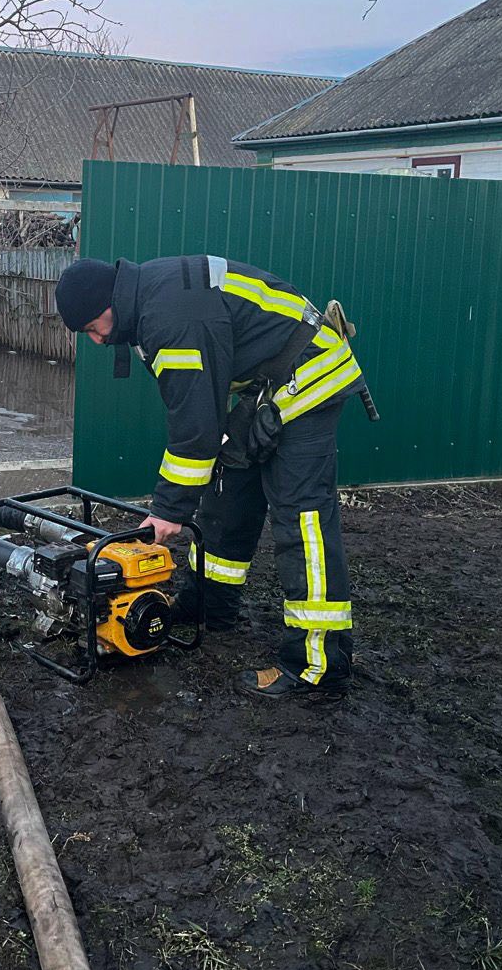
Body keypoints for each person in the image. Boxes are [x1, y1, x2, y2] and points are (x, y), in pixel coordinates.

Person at [54, 254, 363, 702]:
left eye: (92, 328)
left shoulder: (169, 318)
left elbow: (195, 429)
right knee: (227, 494)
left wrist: (167, 512)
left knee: (303, 519)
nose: (98, 341)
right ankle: (208, 607)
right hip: (268, 385)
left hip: (311, 377)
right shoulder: (148, 299)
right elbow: (203, 413)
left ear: (108, 303)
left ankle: (319, 665)